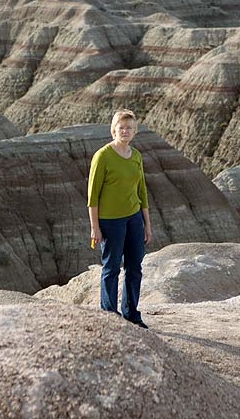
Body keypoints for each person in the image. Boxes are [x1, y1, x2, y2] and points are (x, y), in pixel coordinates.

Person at [87, 108, 152, 329]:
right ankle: (109, 315)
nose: (125, 131)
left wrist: (147, 224)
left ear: (135, 132)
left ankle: (131, 314)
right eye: (121, 127)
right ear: (113, 130)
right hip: (110, 221)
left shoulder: (136, 156)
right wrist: (94, 227)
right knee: (111, 267)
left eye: (129, 128)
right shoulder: (103, 156)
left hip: (133, 218)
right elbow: (92, 195)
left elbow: (142, 191)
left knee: (135, 267)